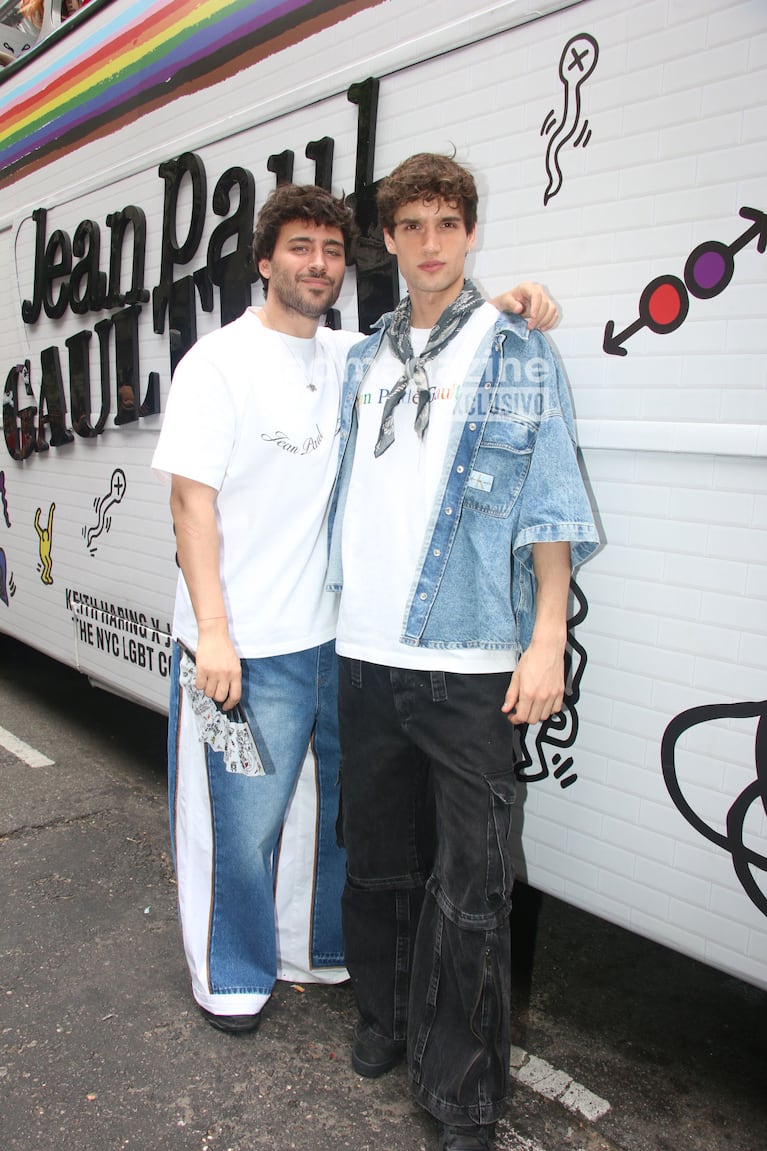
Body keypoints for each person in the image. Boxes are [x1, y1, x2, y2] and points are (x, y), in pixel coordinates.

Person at [152, 182, 558, 1036]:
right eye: (298, 248)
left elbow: (444, 337)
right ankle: (230, 973)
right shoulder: (215, 363)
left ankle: (320, 950)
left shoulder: (351, 356)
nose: (317, 264)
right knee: (241, 824)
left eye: (331, 251)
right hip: (241, 643)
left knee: (335, 819)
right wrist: (214, 636)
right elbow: (191, 506)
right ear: (264, 262)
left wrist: (512, 302)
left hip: (334, 641)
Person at [328, 154, 599, 1151]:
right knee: (378, 862)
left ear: (470, 232)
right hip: (363, 652)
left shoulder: (512, 347)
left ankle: (461, 1095)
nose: (430, 242)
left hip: (472, 656)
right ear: (389, 240)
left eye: (447, 222)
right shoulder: (360, 360)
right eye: (411, 225)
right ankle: (383, 1018)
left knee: (474, 887)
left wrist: (543, 638)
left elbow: (551, 499)